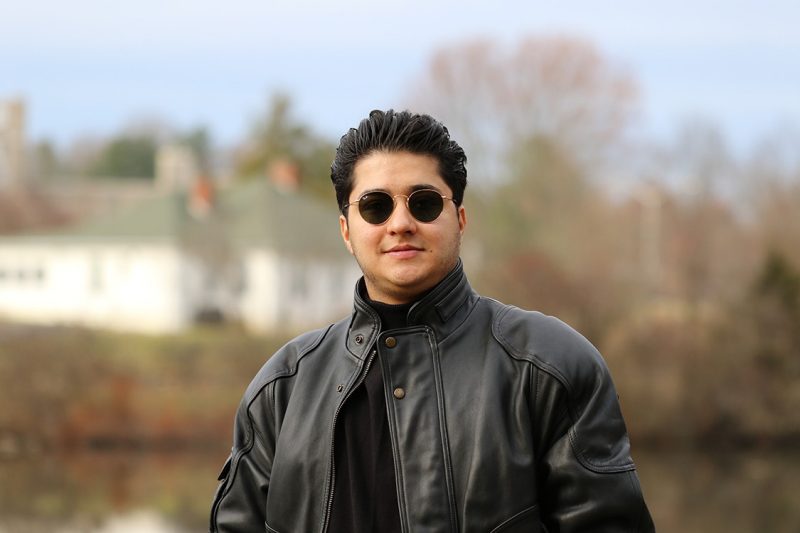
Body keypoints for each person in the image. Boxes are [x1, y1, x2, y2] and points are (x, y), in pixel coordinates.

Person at [210, 109, 654, 532]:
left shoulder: (549, 367)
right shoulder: (281, 389)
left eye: (423, 203)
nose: (400, 222)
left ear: (459, 219)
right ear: (347, 231)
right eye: (375, 206)